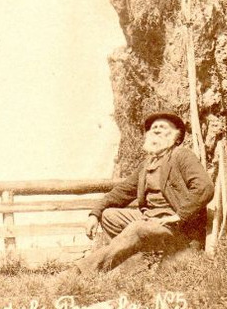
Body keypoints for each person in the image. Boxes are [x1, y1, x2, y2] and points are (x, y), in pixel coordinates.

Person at [72, 111, 214, 274]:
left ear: (177, 136)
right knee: (109, 216)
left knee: (138, 228)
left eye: (163, 127)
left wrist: (180, 215)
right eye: (153, 128)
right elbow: (121, 192)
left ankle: (83, 272)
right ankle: (137, 266)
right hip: (151, 221)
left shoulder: (181, 156)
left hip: (177, 226)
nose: (156, 130)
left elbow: (204, 187)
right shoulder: (146, 165)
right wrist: (94, 214)